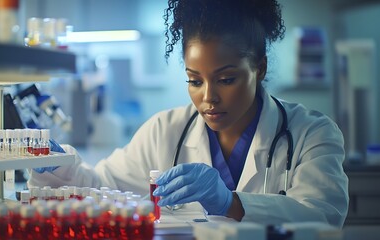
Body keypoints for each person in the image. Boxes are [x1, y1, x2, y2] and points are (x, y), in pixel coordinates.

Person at [29, 0, 349, 227]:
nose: (208, 97)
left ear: (259, 68)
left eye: (226, 79)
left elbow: (324, 217)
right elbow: (102, 186)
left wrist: (231, 203)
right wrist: (58, 168)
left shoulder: (311, 133)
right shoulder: (164, 130)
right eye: (194, 80)